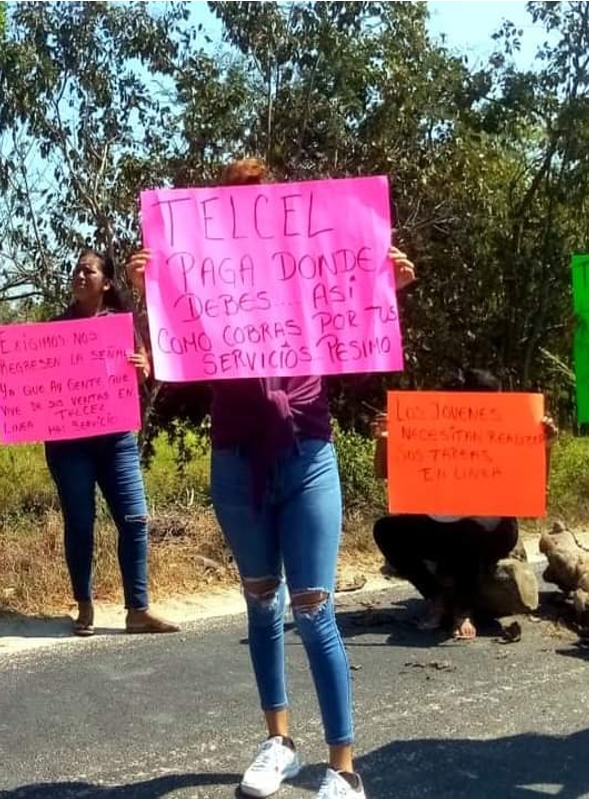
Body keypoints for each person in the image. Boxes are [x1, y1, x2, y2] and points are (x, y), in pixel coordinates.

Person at [128, 157, 416, 799]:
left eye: (254, 199)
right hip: (234, 457)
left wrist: (385, 284)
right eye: (231, 203)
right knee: (261, 602)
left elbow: (357, 326)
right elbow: (179, 355)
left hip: (307, 451)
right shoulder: (206, 274)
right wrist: (153, 293)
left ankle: (344, 768)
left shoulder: (308, 261)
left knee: (314, 611)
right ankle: (278, 741)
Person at [43, 249, 179, 636]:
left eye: (89, 271)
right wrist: (4, 365)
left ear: (106, 282)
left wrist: (141, 369)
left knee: (135, 520)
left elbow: (145, 375)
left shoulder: (122, 325)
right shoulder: (55, 328)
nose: (80, 276)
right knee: (81, 522)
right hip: (70, 445)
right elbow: (34, 378)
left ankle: (138, 609)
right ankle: (84, 606)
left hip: (116, 440)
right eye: (76, 270)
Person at [370, 368, 558, 640]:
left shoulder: (508, 428)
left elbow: (537, 489)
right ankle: (437, 597)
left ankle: (463, 609)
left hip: (490, 531)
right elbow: (384, 472)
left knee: (468, 532)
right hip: (439, 526)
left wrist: (545, 445)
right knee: (385, 530)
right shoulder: (429, 424)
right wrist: (385, 439)